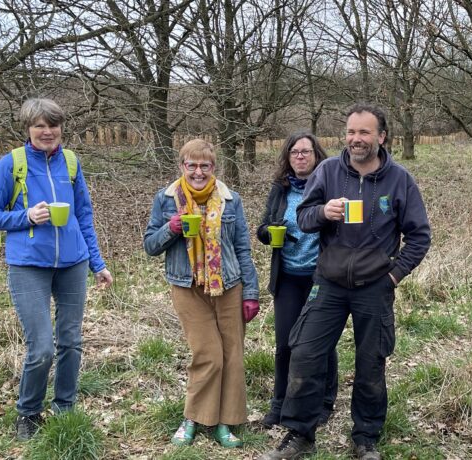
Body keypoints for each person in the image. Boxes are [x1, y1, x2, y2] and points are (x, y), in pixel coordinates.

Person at [261, 104, 432, 460]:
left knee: (371, 363)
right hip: (329, 283)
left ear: (381, 137)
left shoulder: (399, 179)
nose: (356, 139)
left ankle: (365, 438)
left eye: (364, 132)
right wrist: (323, 212)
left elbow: (420, 236)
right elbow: (304, 218)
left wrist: (394, 275)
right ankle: (300, 434)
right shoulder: (327, 171)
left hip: (375, 286)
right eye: (351, 132)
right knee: (305, 354)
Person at [0, 98, 114, 440]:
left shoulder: (70, 162)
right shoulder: (12, 164)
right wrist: (26, 217)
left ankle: (64, 408)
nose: (47, 132)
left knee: (71, 341)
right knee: (41, 348)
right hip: (28, 266)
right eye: (39, 125)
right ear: (28, 129)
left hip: (73, 264)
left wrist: (97, 263)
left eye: (53, 125)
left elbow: (84, 215)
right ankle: (28, 413)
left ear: (60, 128)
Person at [143, 139, 260, 448]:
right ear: (182, 166)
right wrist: (171, 228)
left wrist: (251, 292)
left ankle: (225, 423)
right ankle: (193, 418)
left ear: (213, 168)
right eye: (191, 165)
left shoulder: (231, 200)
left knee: (232, 355)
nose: (197, 171)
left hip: (229, 285)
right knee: (208, 354)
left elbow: (243, 249)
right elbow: (150, 246)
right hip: (187, 286)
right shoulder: (166, 199)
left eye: (204, 165)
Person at [255, 132, 338, 428]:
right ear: (288, 158)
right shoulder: (281, 189)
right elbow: (263, 226)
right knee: (285, 344)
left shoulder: (330, 185)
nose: (300, 156)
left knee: (321, 344)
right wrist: (270, 232)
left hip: (322, 278)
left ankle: (325, 402)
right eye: (294, 152)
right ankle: (279, 404)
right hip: (288, 276)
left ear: (316, 155)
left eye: (305, 151)